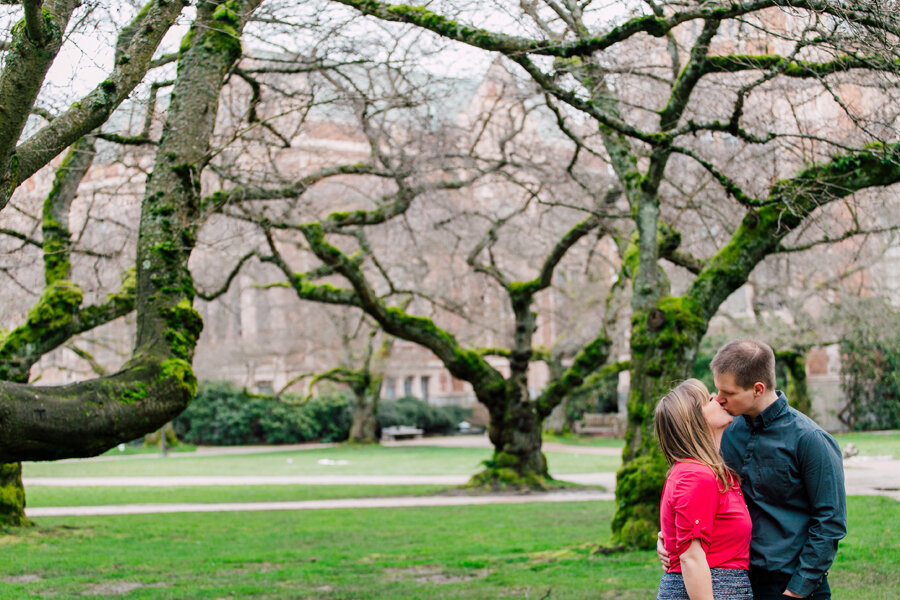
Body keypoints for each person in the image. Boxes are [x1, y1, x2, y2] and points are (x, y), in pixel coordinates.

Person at [658, 339, 847, 599]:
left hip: (790, 585)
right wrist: (668, 536)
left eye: (729, 393)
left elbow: (829, 523)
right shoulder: (723, 433)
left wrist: (796, 590)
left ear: (757, 389)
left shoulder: (810, 440)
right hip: (736, 583)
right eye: (717, 391)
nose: (719, 400)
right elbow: (697, 500)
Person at [655, 378, 753, 600]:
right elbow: (691, 558)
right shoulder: (696, 475)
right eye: (709, 399)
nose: (719, 399)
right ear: (695, 420)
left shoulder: (708, 472)